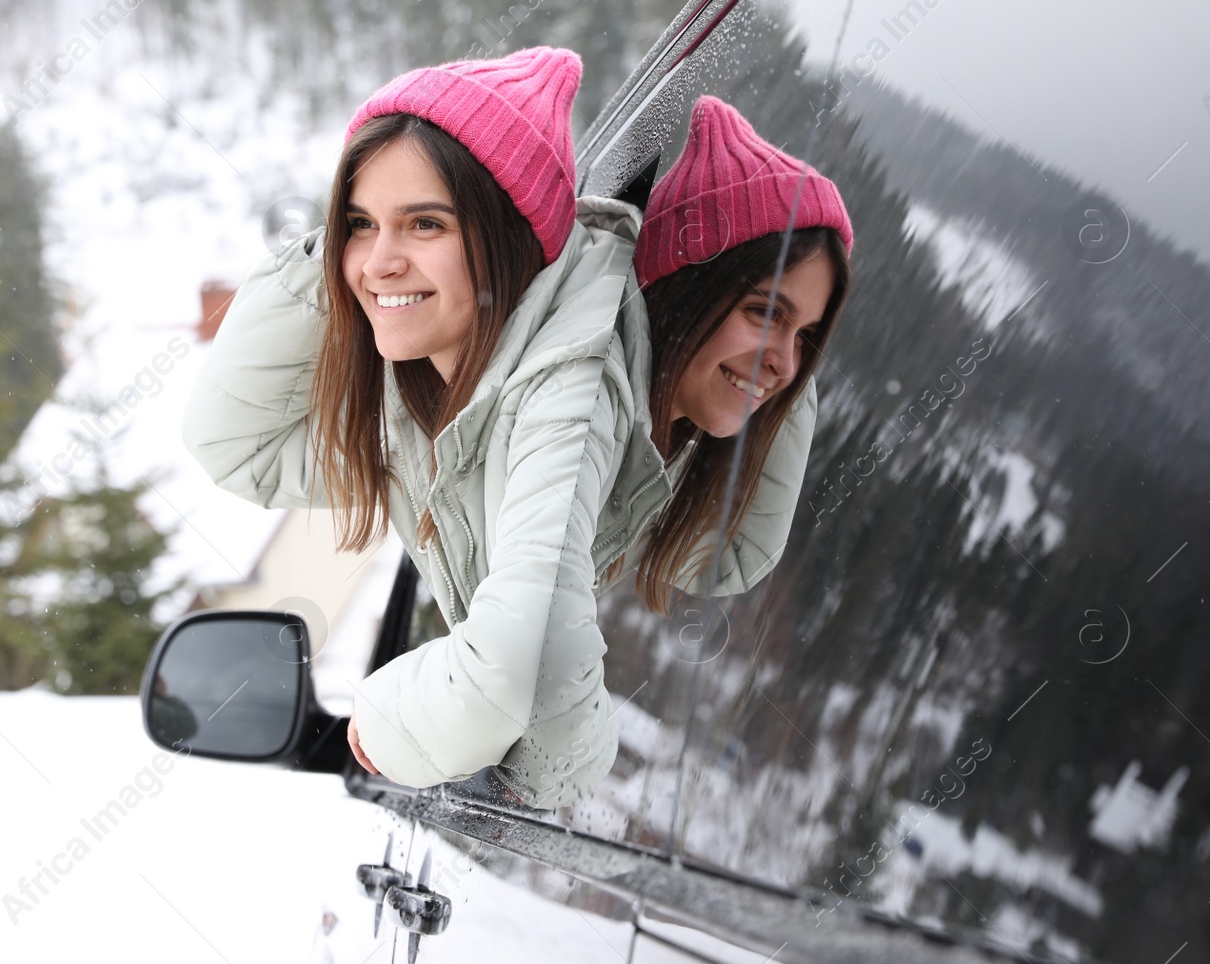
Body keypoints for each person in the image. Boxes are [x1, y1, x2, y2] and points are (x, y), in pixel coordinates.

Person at [181, 47, 641, 808]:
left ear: (510, 235)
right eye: (359, 224)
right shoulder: (420, 403)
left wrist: (382, 720)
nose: (379, 262)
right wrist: (338, 259)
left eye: (425, 222)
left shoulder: (568, 388)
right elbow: (236, 443)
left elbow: (518, 690)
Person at [594, 95, 854, 614]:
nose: (787, 362)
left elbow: (730, 558)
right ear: (683, 286)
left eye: (807, 335)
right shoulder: (577, 418)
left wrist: (782, 370)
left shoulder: (653, 453)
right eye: (765, 312)